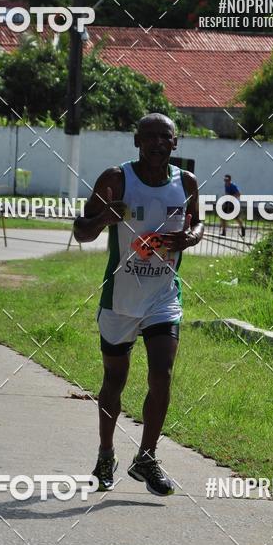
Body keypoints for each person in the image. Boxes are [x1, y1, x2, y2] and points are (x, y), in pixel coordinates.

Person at [73, 113, 203, 496]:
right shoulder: (116, 179)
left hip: (163, 297)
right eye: (150, 137)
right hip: (120, 299)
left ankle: (146, 457)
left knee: (162, 374)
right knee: (114, 381)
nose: (158, 143)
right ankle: (105, 454)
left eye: (165, 137)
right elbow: (80, 231)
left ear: (175, 143)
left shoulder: (186, 182)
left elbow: (198, 223)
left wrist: (191, 237)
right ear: (137, 141)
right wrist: (102, 219)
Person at [220, 174, 246, 238]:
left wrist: (231, 196)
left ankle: (242, 228)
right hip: (228, 203)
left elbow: (239, 194)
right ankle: (224, 232)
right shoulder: (226, 185)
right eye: (225, 180)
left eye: (227, 180)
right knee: (222, 217)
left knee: (236, 218)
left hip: (233, 204)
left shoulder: (233, 186)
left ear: (230, 180)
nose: (226, 181)